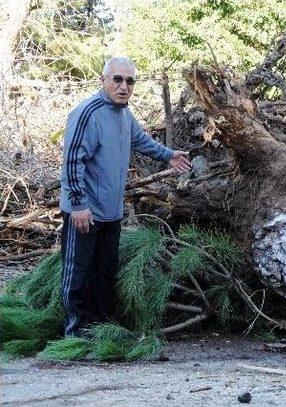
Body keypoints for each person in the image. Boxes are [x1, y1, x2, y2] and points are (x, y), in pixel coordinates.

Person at [59, 56, 191, 337]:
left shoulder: (124, 115)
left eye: (130, 81)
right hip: (84, 211)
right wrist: (79, 205)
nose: (124, 86)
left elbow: (140, 140)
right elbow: (72, 162)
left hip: (110, 212)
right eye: (117, 79)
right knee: (78, 273)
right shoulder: (87, 113)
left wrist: (168, 155)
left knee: (105, 273)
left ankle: (102, 329)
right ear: (103, 80)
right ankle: (75, 334)